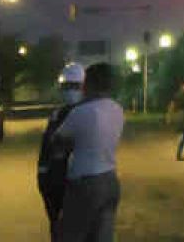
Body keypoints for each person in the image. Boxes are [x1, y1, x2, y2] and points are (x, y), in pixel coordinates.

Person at [54, 62, 124, 242]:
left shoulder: (81, 112)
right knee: (102, 237)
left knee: (69, 235)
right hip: (110, 180)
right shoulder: (117, 109)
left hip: (85, 184)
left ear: (89, 84)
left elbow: (58, 145)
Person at [38, 63, 85, 240]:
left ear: (83, 87)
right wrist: (42, 175)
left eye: (73, 86)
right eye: (66, 86)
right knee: (58, 228)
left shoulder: (89, 113)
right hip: (57, 181)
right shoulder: (57, 114)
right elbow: (46, 147)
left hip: (80, 181)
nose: (69, 91)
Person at [166, 82, 184, 161]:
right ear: (183, 87)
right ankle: (178, 155)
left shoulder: (177, 95)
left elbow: (171, 106)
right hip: (183, 116)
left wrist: (169, 116)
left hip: (180, 115)